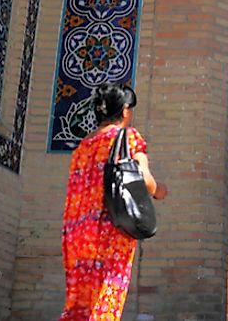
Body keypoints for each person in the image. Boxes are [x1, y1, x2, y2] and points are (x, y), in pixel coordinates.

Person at [60, 83, 169, 321]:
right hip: (110, 232)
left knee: (78, 306)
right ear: (126, 110)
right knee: (105, 302)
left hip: (76, 233)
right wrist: (159, 190)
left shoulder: (82, 147)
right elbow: (144, 180)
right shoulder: (128, 137)